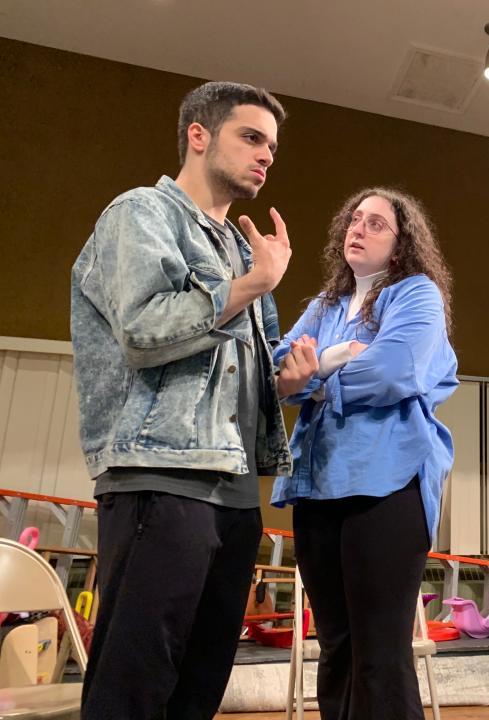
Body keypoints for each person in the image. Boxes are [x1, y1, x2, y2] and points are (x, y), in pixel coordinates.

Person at [70, 81, 293, 719]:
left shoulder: (243, 252)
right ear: (199, 135)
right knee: (134, 685)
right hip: (160, 476)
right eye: (251, 137)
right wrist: (254, 282)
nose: (266, 155)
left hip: (233, 487)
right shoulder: (140, 213)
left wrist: (292, 376)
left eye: (272, 146)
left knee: (199, 684)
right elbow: (142, 329)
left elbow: (258, 367)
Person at [271, 187, 458, 719]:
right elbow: (281, 369)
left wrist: (315, 378)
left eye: (377, 224)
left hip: (388, 485)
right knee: (336, 650)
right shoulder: (324, 306)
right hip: (319, 485)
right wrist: (333, 356)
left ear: (399, 247)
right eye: (355, 219)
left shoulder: (416, 294)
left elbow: (393, 368)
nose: (359, 228)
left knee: (379, 653)